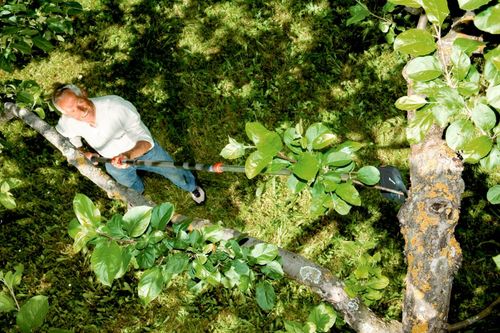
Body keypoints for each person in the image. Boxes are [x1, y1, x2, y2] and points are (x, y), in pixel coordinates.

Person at [52, 84, 205, 204]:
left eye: (79, 102)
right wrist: (82, 150)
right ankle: (138, 199)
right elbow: (66, 137)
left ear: (83, 93)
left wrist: (128, 156)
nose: (79, 111)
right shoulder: (67, 121)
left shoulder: (116, 106)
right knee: (129, 187)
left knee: (175, 172)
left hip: (145, 152)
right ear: (65, 114)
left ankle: (191, 186)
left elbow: (145, 141)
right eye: (71, 111)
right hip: (112, 161)